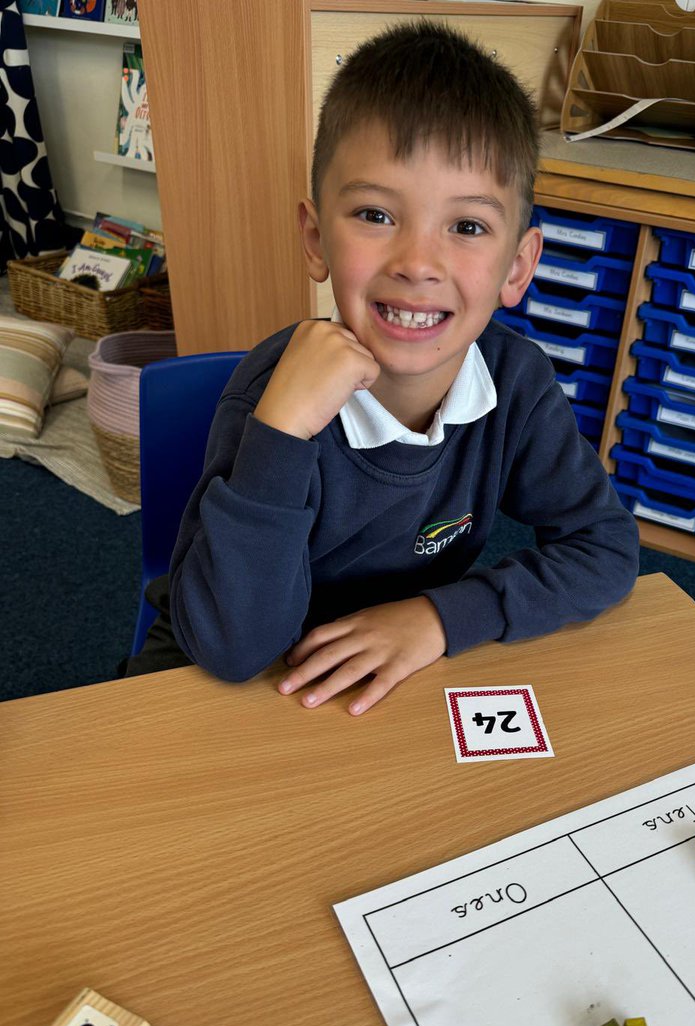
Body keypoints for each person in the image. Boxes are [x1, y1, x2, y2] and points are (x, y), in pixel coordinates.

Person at [128, 21, 639, 713]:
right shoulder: (271, 397)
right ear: (317, 240)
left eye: (467, 227)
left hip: (386, 666)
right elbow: (231, 647)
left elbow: (604, 547)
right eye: (375, 214)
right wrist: (280, 435)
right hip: (227, 663)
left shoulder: (515, 382)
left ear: (518, 267)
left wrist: (440, 618)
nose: (417, 264)